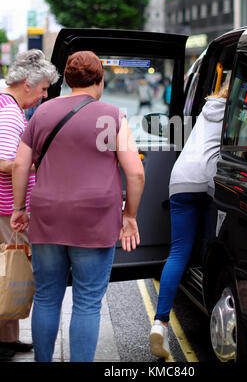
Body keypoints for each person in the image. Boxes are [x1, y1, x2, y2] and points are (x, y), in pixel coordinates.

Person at [10, 50, 145, 362]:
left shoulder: (41, 113)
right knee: (86, 301)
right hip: (95, 219)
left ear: (68, 79)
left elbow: (20, 165)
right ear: (99, 80)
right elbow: (136, 171)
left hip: (46, 215)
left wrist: (19, 209)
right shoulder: (111, 115)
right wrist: (130, 215)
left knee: (46, 296)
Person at [149, 82, 229, 359]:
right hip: (208, 179)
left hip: (180, 177)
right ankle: (214, 318)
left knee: (178, 252)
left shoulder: (209, 107)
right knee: (212, 249)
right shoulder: (239, 111)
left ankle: (159, 323)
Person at [0, 49, 59, 361]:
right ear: (27, 83)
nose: (44, 96)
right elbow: (6, 163)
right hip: (7, 209)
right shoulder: (9, 113)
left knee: (8, 272)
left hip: (6, 207)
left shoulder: (5, 105)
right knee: (11, 272)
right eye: (43, 88)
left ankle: (8, 338)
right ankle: (5, 342)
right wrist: (38, 162)